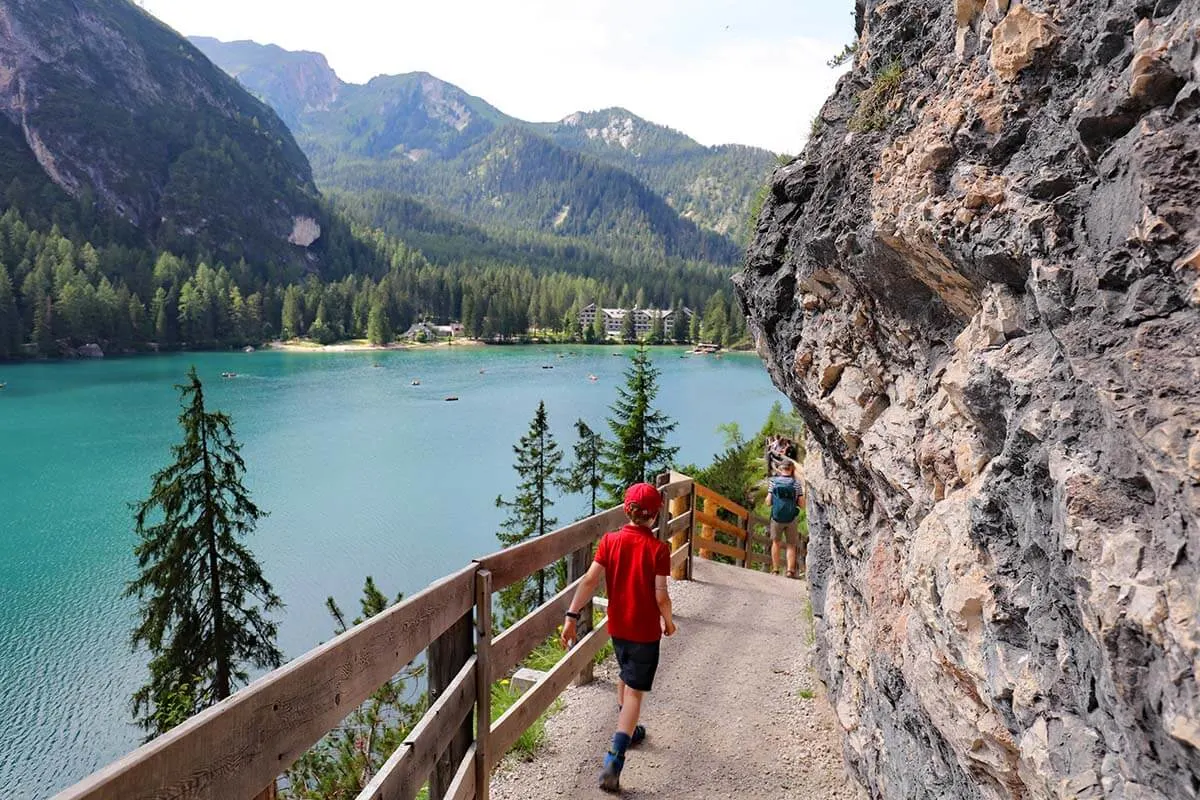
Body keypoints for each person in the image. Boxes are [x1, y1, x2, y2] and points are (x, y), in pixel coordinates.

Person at [560, 482, 677, 793]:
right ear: (655, 516)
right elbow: (661, 595)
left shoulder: (609, 541)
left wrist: (571, 616)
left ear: (627, 510)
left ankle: (629, 726)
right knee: (636, 693)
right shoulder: (658, 549)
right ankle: (616, 754)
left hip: (619, 628)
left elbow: (589, 580)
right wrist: (668, 621)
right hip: (644, 631)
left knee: (624, 674)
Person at [768, 460, 804, 578]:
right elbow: (801, 503)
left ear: (780, 469)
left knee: (776, 543)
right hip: (791, 518)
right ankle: (790, 571)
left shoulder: (773, 482)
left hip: (776, 517)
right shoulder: (796, 484)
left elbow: (768, 502)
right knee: (791, 545)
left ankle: (775, 569)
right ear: (792, 469)